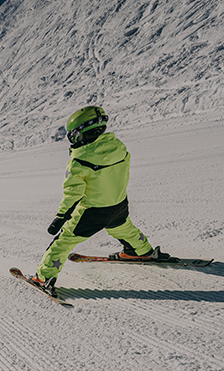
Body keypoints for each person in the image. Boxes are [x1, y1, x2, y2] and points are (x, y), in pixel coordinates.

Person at [31, 106, 170, 294]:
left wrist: (61, 217)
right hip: (118, 203)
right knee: (123, 228)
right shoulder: (119, 146)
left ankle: (44, 276)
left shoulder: (79, 161)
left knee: (63, 242)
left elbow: (73, 193)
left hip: (92, 212)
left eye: (74, 135)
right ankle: (141, 251)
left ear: (82, 133)